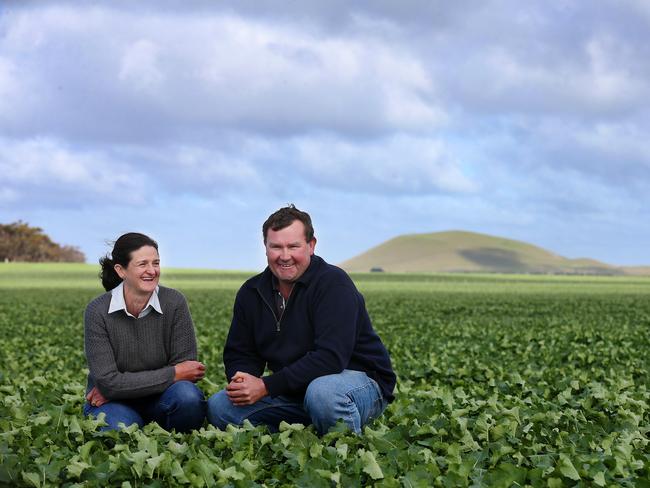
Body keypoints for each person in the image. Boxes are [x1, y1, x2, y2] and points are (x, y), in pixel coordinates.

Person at [207, 205, 396, 434]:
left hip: (358, 383)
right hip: (295, 389)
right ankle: (307, 429)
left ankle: (345, 449)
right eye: (276, 247)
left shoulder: (333, 284)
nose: (284, 256)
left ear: (311, 245)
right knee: (220, 406)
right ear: (265, 247)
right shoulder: (251, 292)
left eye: (293, 246)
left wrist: (266, 386)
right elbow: (240, 352)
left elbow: (330, 358)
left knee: (323, 394)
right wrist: (242, 379)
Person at [83, 232, 206, 432]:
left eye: (156, 263)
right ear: (121, 270)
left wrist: (119, 388)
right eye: (143, 264)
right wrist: (173, 373)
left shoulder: (174, 302)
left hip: (161, 398)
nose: (152, 271)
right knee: (119, 429)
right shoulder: (97, 311)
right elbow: (108, 384)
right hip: (112, 403)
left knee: (188, 398)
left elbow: (187, 370)